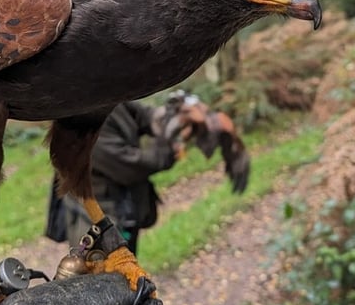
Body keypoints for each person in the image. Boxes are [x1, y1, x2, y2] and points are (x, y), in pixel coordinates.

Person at [46, 92, 250, 255]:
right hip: (96, 223)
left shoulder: (106, 94)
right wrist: (168, 149)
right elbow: (129, 166)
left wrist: (180, 117)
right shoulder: (79, 114)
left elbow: (145, 116)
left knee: (127, 277)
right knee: (99, 287)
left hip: (123, 212)